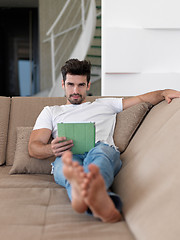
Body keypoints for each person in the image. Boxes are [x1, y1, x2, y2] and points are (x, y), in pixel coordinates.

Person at [28, 59, 180, 223]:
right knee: (66, 164)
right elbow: (33, 147)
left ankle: (83, 195)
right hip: (69, 154)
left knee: (101, 153)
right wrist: (51, 149)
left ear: (88, 85)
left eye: (80, 85)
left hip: (100, 149)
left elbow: (142, 99)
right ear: (63, 85)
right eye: (71, 85)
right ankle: (99, 201)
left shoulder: (106, 104)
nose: (75, 90)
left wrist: (163, 92)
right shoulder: (51, 112)